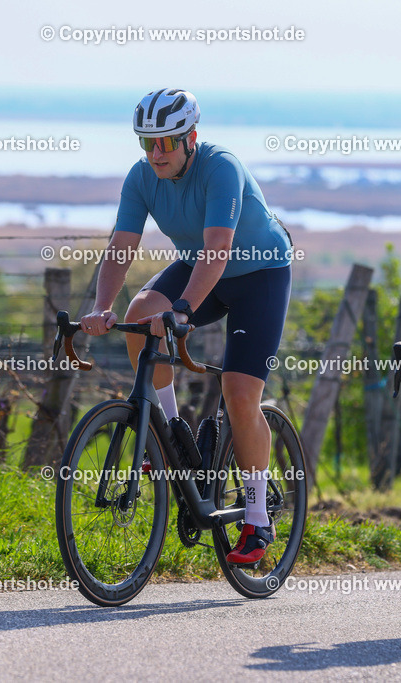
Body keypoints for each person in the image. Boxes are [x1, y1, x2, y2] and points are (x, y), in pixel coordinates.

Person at [80, 88, 293, 564]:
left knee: (240, 394)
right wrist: (100, 306)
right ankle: (173, 433)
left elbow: (219, 249)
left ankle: (257, 519)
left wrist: (180, 310)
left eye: (166, 144)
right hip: (202, 270)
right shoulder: (140, 178)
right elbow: (121, 247)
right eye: (146, 143)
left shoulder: (221, 167)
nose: (156, 153)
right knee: (138, 318)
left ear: (191, 138)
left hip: (258, 274)